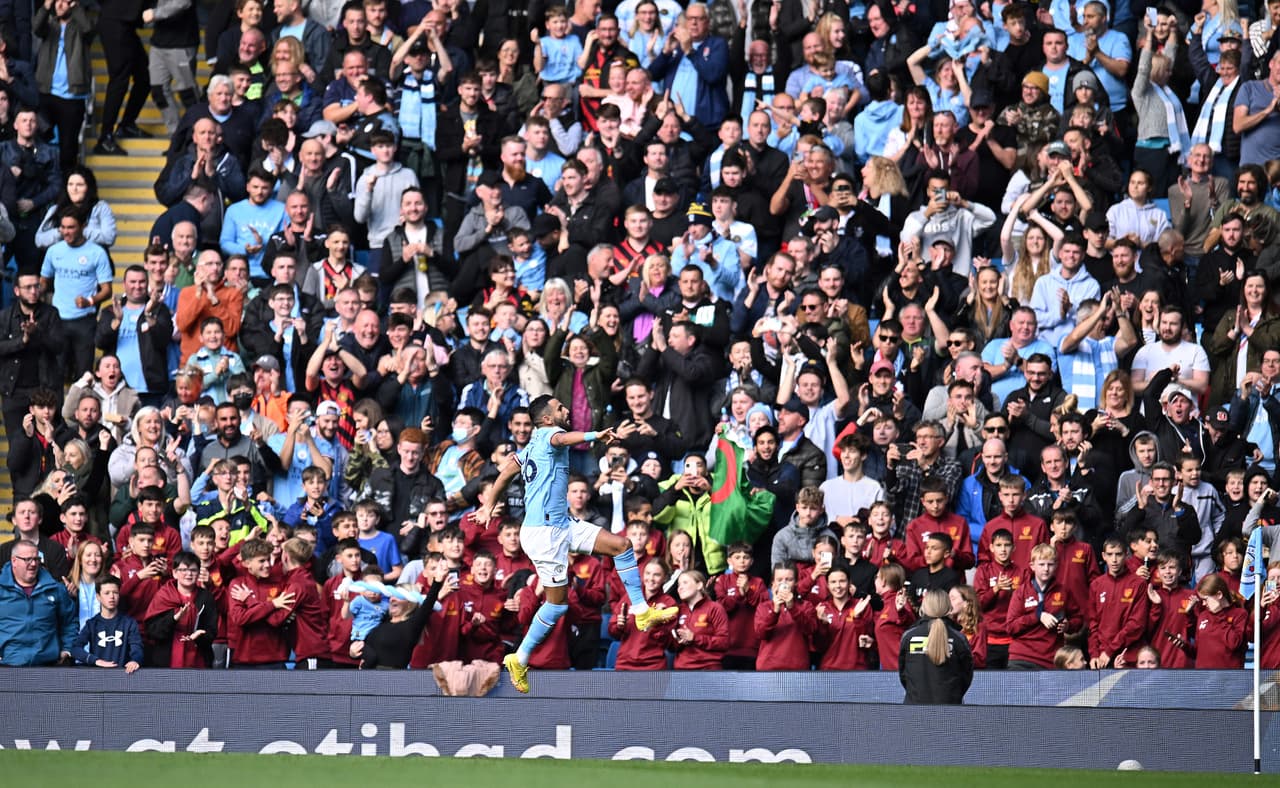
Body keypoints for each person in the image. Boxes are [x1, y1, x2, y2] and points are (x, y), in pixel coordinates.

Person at [476, 394, 678, 692]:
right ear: (546, 419)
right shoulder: (547, 436)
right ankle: (520, 658)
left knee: (622, 546)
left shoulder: (530, 448)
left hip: (561, 523)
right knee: (557, 607)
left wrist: (488, 505)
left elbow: (506, 472)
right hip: (544, 535)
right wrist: (595, 434)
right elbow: (563, 439)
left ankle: (641, 611)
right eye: (559, 408)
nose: (566, 409)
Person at [0, 540, 78, 665]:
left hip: (48, 666)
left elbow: (69, 622)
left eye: (36, 559)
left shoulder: (56, 589)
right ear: (14, 561)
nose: (33, 564)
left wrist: (67, 649)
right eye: (28, 559)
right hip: (7, 666)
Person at [899, 588, 973, 704]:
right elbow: (966, 675)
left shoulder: (909, 637)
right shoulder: (959, 639)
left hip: (914, 709)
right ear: (949, 609)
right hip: (951, 709)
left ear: (923, 608)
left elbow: (903, 674)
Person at [71, 576, 143, 671]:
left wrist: (135, 661)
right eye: (107, 593)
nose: (112, 597)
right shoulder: (92, 624)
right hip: (97, 678)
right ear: (98, 597)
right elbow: (75, 649)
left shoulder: (129, 623)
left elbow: (137, 648)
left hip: (123, 676)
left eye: (115, 592)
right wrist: (95, 661)